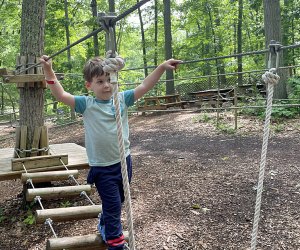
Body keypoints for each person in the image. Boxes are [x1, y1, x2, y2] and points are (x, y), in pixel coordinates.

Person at [40, 54, 181, 250]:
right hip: (102, 167)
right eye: (100, 81)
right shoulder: (86, 105)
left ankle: (105, 223)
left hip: (124, 161)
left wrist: (161, 67)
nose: (106, 85)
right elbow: (60, 94)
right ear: (89, 85)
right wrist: (48, 70)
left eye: (109, 80)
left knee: (120, 200)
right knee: (114, 204)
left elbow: (144, 86)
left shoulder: (122, 100)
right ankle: (115, 244)